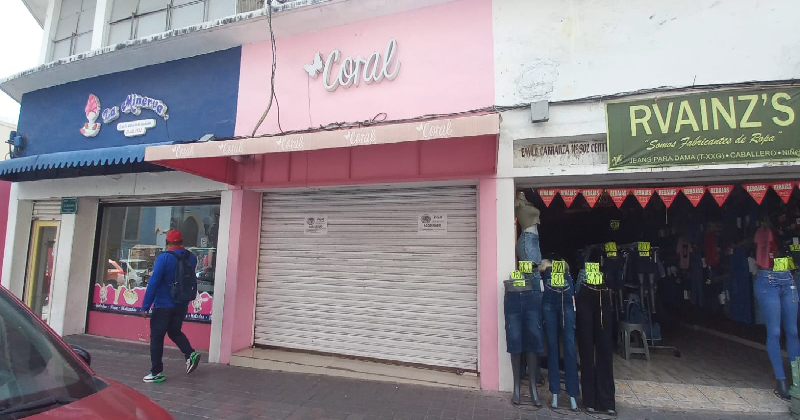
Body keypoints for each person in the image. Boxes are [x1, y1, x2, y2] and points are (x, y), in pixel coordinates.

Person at [140, 230, 201, 383]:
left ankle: (157, 372)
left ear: (167, 243)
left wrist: (145, 306)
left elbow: (153, 283)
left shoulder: (164, 258)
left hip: (163, 305)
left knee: (157, 337)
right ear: (181, 242)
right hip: (182, 303)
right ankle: (190, 353)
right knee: (174, 331)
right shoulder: (191, 257)